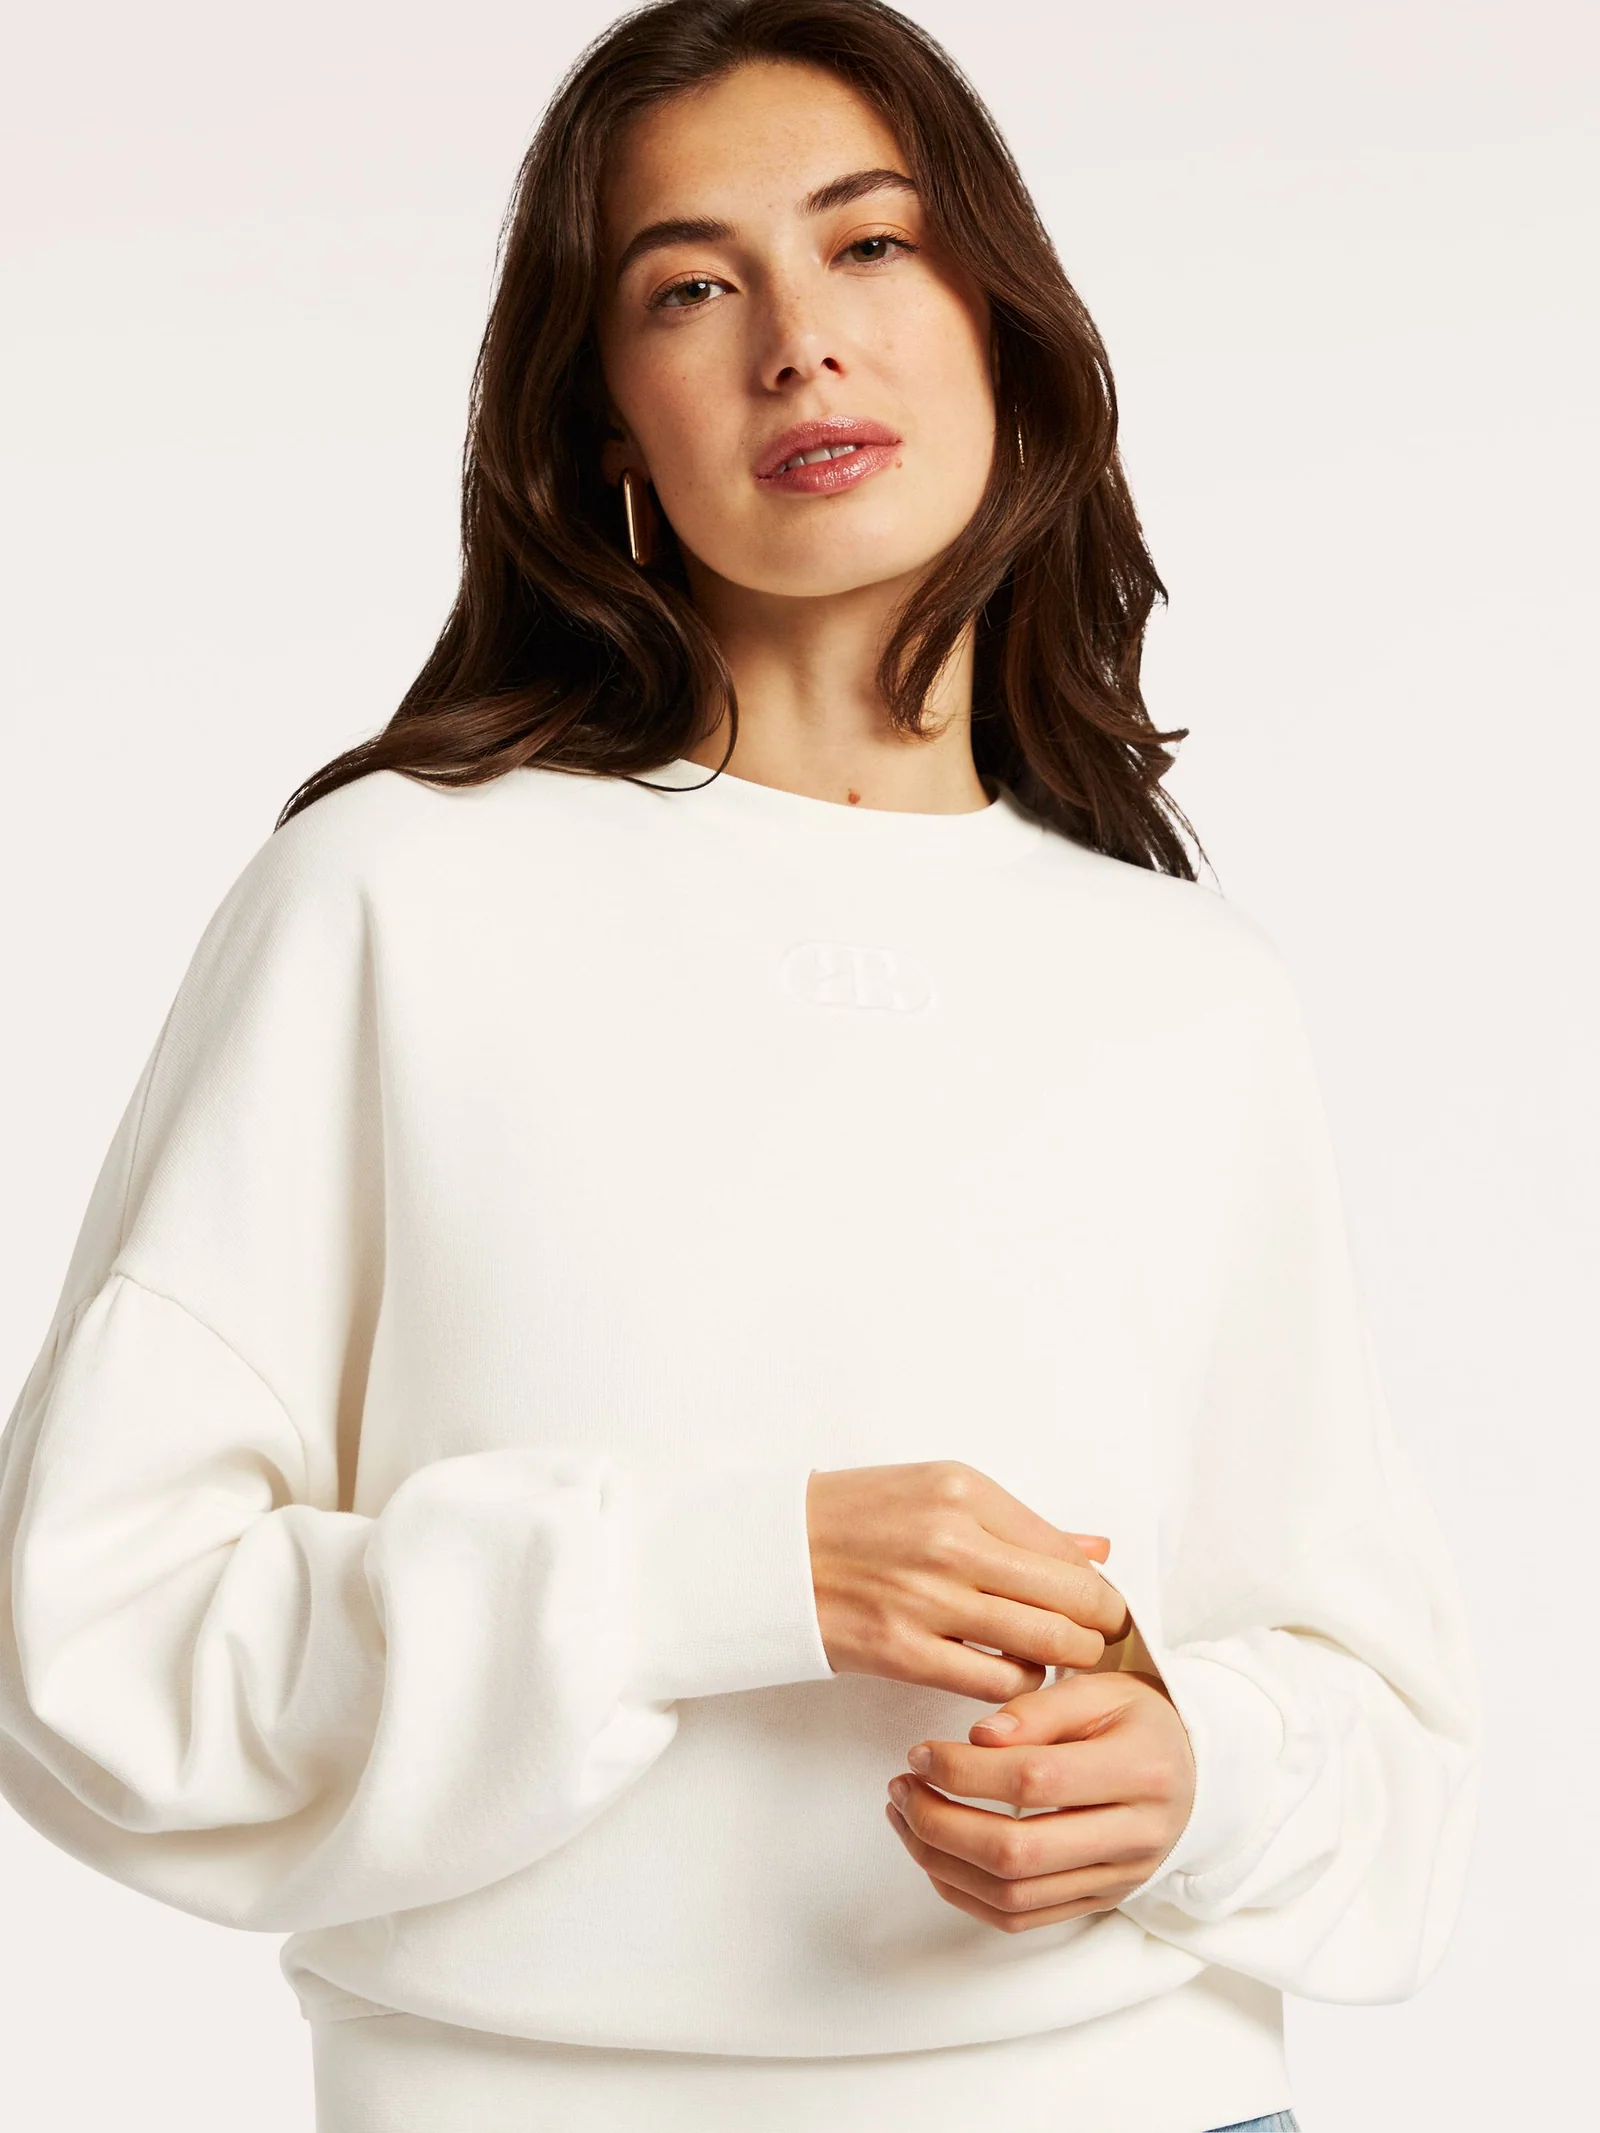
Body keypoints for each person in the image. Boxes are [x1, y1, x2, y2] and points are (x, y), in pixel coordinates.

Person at [0, 3, 1480, 2129]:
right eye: (691, 289)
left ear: (1002, 327)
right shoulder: (394, 897)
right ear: (602, 418)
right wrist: (727, 1578)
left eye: (870, 245)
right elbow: (90, 1637)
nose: (799, 342)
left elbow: (1384, 1733)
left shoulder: (1192, 989)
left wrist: (1196, 1777)